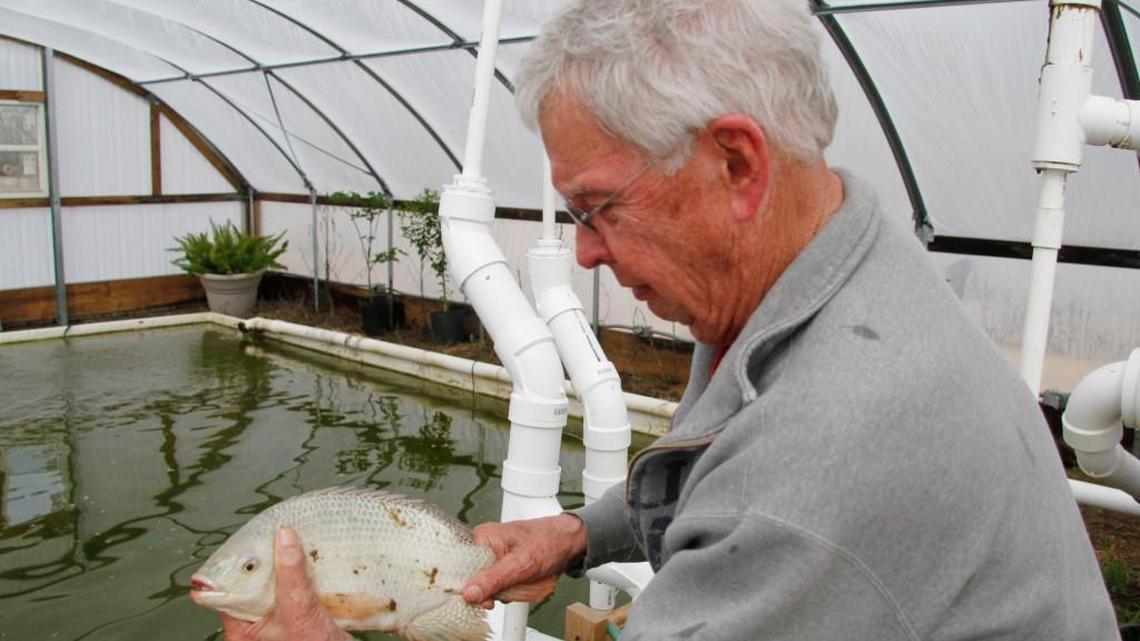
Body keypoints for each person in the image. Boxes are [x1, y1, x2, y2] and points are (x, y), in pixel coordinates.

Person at [215, 0, 1120, 639]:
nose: (584, 253)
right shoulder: (816, 275)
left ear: (736, 164)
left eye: (598, 206)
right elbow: (726, 467)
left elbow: (779, 497)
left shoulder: (831, 456)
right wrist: (579, 532)